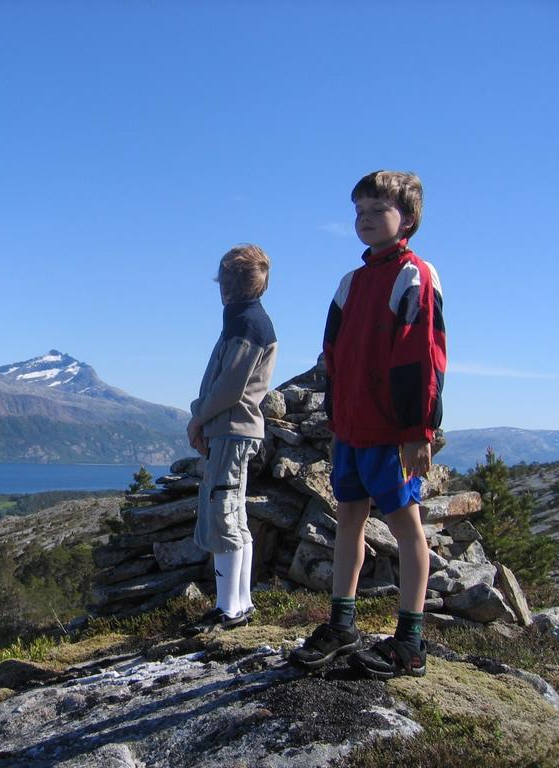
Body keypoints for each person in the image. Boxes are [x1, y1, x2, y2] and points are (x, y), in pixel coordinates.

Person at [290, 170, 446, 678]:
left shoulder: (415, 275)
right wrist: (336, 422)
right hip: (353, 428)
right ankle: (343, 624)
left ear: (409, 218)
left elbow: (423, 358)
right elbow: (332, 356)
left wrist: (418, 430)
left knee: (407, 527)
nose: (366, 220)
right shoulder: (350, 282)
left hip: (392, 431)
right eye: (359, 212)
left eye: (378, 210)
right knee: (349, 519)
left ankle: (411, 638)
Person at [181, 244, 278, 635]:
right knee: (234, 514)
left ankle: (228, 608)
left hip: (232, 429)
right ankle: (240, 602)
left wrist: (200, 417)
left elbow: (230, 387)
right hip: (234, 429)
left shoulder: (246, 326)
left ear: (227, 285)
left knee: (223, 513)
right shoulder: (248, 322)